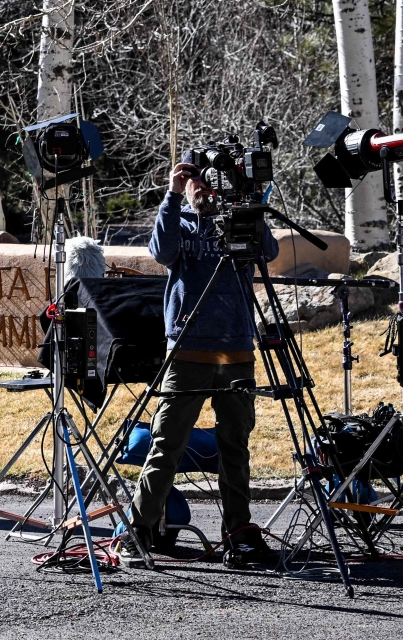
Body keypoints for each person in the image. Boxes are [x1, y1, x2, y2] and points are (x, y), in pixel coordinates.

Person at [118, 158, 279, 568]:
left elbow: (269, 251)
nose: (206, 190)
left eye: (213, 183)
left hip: (235, 348)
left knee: (235, 445)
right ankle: (139, 531)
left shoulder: (240, 219)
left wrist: (249, 203)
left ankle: (238, 535)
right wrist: (175, 197)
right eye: (199, 182)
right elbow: (162, 252)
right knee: (166, 443)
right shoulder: (182, 220)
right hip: (187, 348)